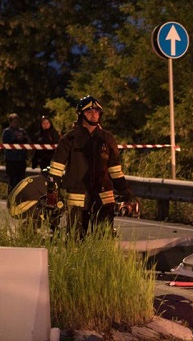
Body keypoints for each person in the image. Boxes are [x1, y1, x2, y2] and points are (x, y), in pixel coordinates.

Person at [47, 95, 136, 237]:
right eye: (89, 112)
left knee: (103, 238)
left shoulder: (107, 139)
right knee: (75, 238)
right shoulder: (70, 139)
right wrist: (52, 191)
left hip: (104, 196)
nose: (94, 115)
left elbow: (115, 171)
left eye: (97, 112)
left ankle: (101, 259)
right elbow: (56, 168)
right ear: (81, 114)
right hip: (78, 196)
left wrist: (126, 194)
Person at [2, 113, 31, 193]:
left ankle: (19, 198)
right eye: (14, 122)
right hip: (11, 159)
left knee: (21, 180)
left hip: (21, 159)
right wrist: (15, 138)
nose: (16, 124)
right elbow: (5, 143)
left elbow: (28, 141)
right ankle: (11, 197)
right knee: (12, 180)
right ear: (10, 122)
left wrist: (24, 138)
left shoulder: (22, 131)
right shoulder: (7, 132)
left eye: (17, 122)